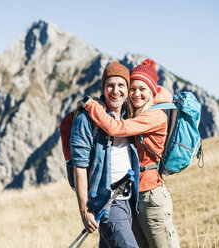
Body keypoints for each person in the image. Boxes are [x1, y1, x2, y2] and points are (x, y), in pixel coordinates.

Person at [83, 58, 180, 248]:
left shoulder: (154, 116)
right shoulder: (138, 112)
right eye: (133, 89)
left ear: (152, 90)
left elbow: (116, 128)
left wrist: (92, 105)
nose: (136, 94)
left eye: (142, 89)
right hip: (136, 195)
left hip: (151, 194)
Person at [70, 61, 140, 248]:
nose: (115, 91)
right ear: (103, 87)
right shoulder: (87, 119)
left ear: (127, 88)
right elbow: (80, 167)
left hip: (130, 201)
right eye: (110, 85)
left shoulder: (130, 115)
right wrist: (85, 210)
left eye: (121, 85)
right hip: (108, 203)